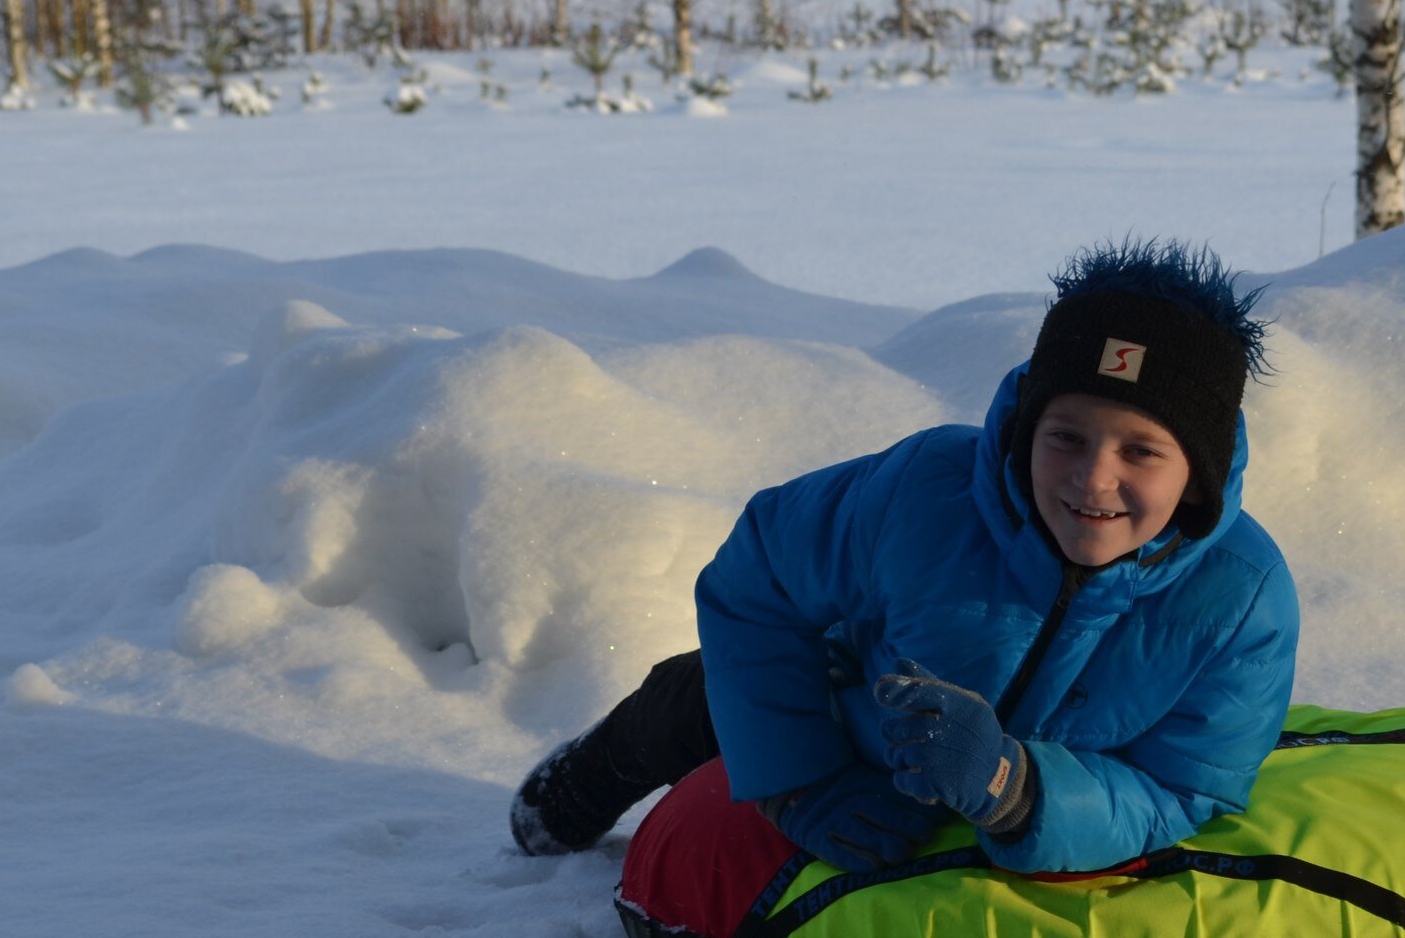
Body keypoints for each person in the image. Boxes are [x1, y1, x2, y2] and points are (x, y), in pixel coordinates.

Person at [510, 239, 1299, 875]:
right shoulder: (925, 491)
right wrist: (802, 784)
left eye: (1141, 451)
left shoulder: (1243, 601)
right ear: (1027, 432)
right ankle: (590, 771)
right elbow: (756, 578)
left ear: (1196, 468)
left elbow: (1183, 786)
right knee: (700, 700)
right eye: (1066, 437)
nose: (1095, 476)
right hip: (845, 715)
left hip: (1029, 784)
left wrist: (1014, 787)